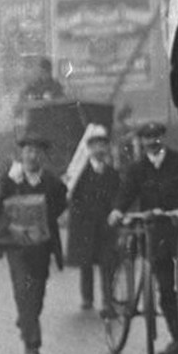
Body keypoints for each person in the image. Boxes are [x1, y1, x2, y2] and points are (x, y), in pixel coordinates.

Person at [110, 121, 178, 354]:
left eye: (156, 137)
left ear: (162, 138)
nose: (152, 142)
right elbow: (126, 192)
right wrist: (118, 210)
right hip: (155, 234)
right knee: (166, 288)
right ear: (142, 142)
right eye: (147, 139)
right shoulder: (137, 169)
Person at [0, 133, 68, 354]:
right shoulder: (10, 180)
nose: (32, 155)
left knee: (36, 295)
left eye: (36, 151)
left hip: (41, 247)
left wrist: (43, 222)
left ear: (43, 156)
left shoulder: (52, 182)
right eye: (28, 151)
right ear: (22, 154)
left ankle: (26, 319)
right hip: (17, 247)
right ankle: (32, 346)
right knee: (23, 290)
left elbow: (61, 202)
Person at [68, 123, 121, 313]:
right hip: (86, 226)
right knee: (86, 263)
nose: (100, 149)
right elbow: (73, 197)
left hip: (106, 226)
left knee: (107, 263)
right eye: (95, 145)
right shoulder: (79, 174)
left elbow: (117, 196)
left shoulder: (112, 173)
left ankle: (108, 300)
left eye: (103, 145)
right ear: (89, 148)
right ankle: (87, 298)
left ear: (107, 148)